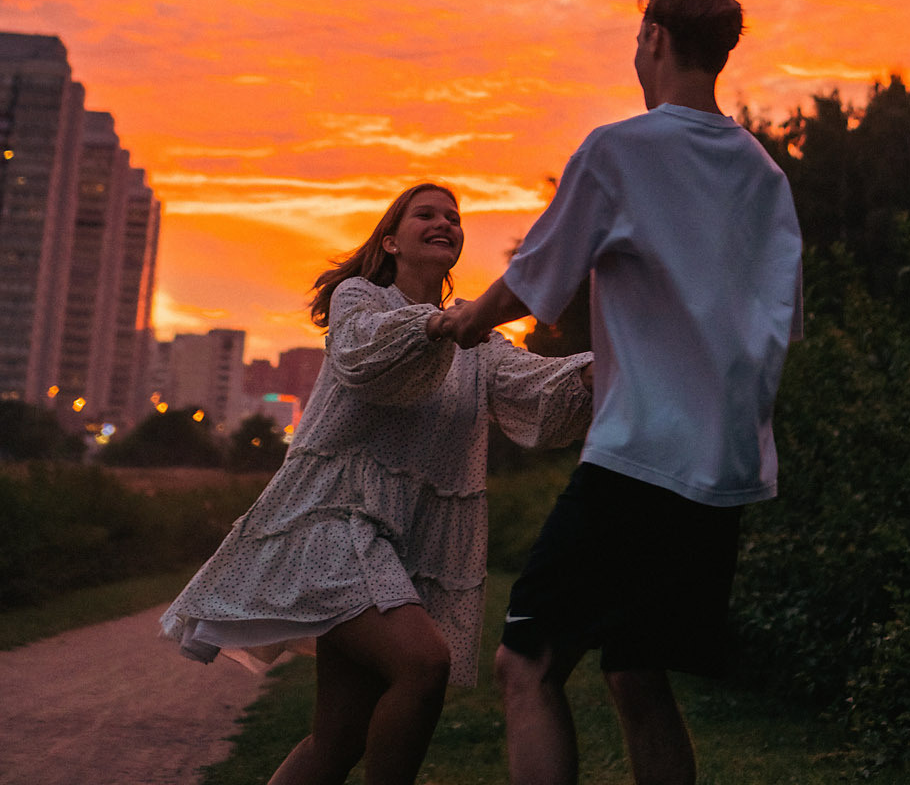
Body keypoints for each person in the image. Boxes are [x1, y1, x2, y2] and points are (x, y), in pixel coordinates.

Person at [438, 0, 803, 785]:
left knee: (524, 663)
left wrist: (461, 321)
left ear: (655, 41)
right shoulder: (763, 176)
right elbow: (774, 323)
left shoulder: (621, 149)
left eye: (638, 40)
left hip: (639, 459)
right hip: (723, 471)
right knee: (636, 672)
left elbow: (534, 277)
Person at [161, 182, 593, 785]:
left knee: (337, 742)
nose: (445, 222)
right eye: (427, 214)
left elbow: (540, 389)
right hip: (334, 523)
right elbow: (369, 357)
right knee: (423, 664)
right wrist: (445, 325)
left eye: (454, 216)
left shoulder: (476, 341)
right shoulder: (360, 301)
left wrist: (613, 364)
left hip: (400, 546)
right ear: (391, 240)